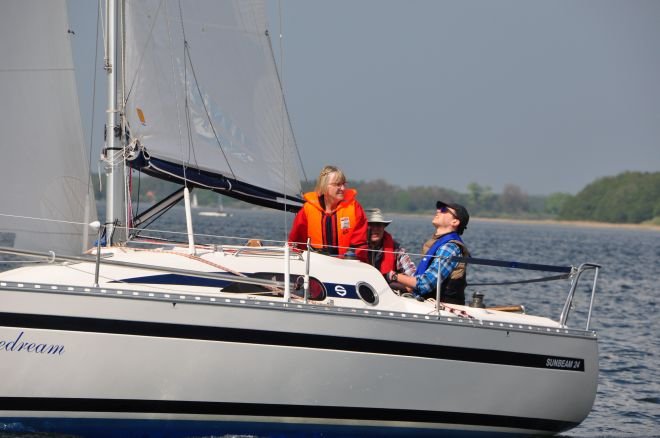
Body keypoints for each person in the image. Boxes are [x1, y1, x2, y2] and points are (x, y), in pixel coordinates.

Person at [385, 201, 470, 304]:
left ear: (455, 222)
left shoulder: (449, 247)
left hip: (442, 306)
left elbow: (425, 285)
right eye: (439, 208)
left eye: (444, 210)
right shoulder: (441, 244)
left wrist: (393, 276)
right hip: (429, 303)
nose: (438, 210)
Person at [289, 165, 368, 260]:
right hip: (316, 264)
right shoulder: (307, 210)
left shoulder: (354, 208)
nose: (343, 188)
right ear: (324, 186)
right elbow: (296, 242)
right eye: (337, 184)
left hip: (347, 264)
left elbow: (360, 243)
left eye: (343, 184)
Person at [365, 208, 416, 278]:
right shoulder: (354, 248)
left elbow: (413, 274)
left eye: (378, 225)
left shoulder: (396, 250)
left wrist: (393, 277)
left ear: (383, 227)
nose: (375, 229)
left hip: (386, 284)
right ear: (363, 227)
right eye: (370, 225)